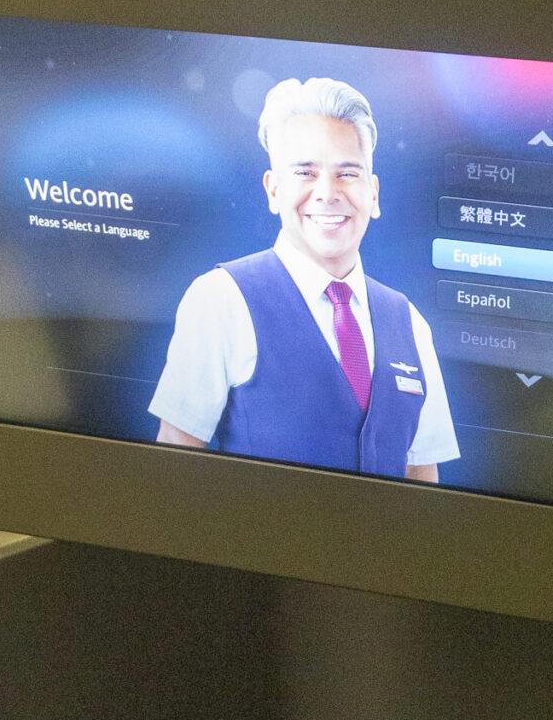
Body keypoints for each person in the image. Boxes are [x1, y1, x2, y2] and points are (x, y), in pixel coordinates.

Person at [149, 75, 458, 480]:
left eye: (347, 173)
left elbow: (421, 475)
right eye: (305, 173)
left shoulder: (410, 323)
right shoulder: (220, 299)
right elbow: (175, 464)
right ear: (274, 190)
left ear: (373, 193)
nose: (327, 193)